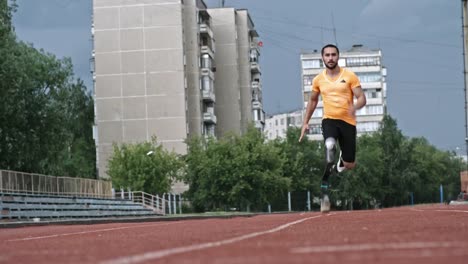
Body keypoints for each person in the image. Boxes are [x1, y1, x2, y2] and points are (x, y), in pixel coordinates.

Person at [298, 44, 367, 212]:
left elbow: (362, 98)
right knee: (329, 146)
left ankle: (341, 162)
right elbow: (313, 101)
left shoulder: (349, 76)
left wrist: (355, 107)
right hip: (329, 120)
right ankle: (324, 193)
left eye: (333, 55)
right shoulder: (318, 80)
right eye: (327, 55)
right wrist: (305, 122)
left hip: (348, 123)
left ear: (338, 56)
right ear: (322, 57)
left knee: (350, 164)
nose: (330, 58)